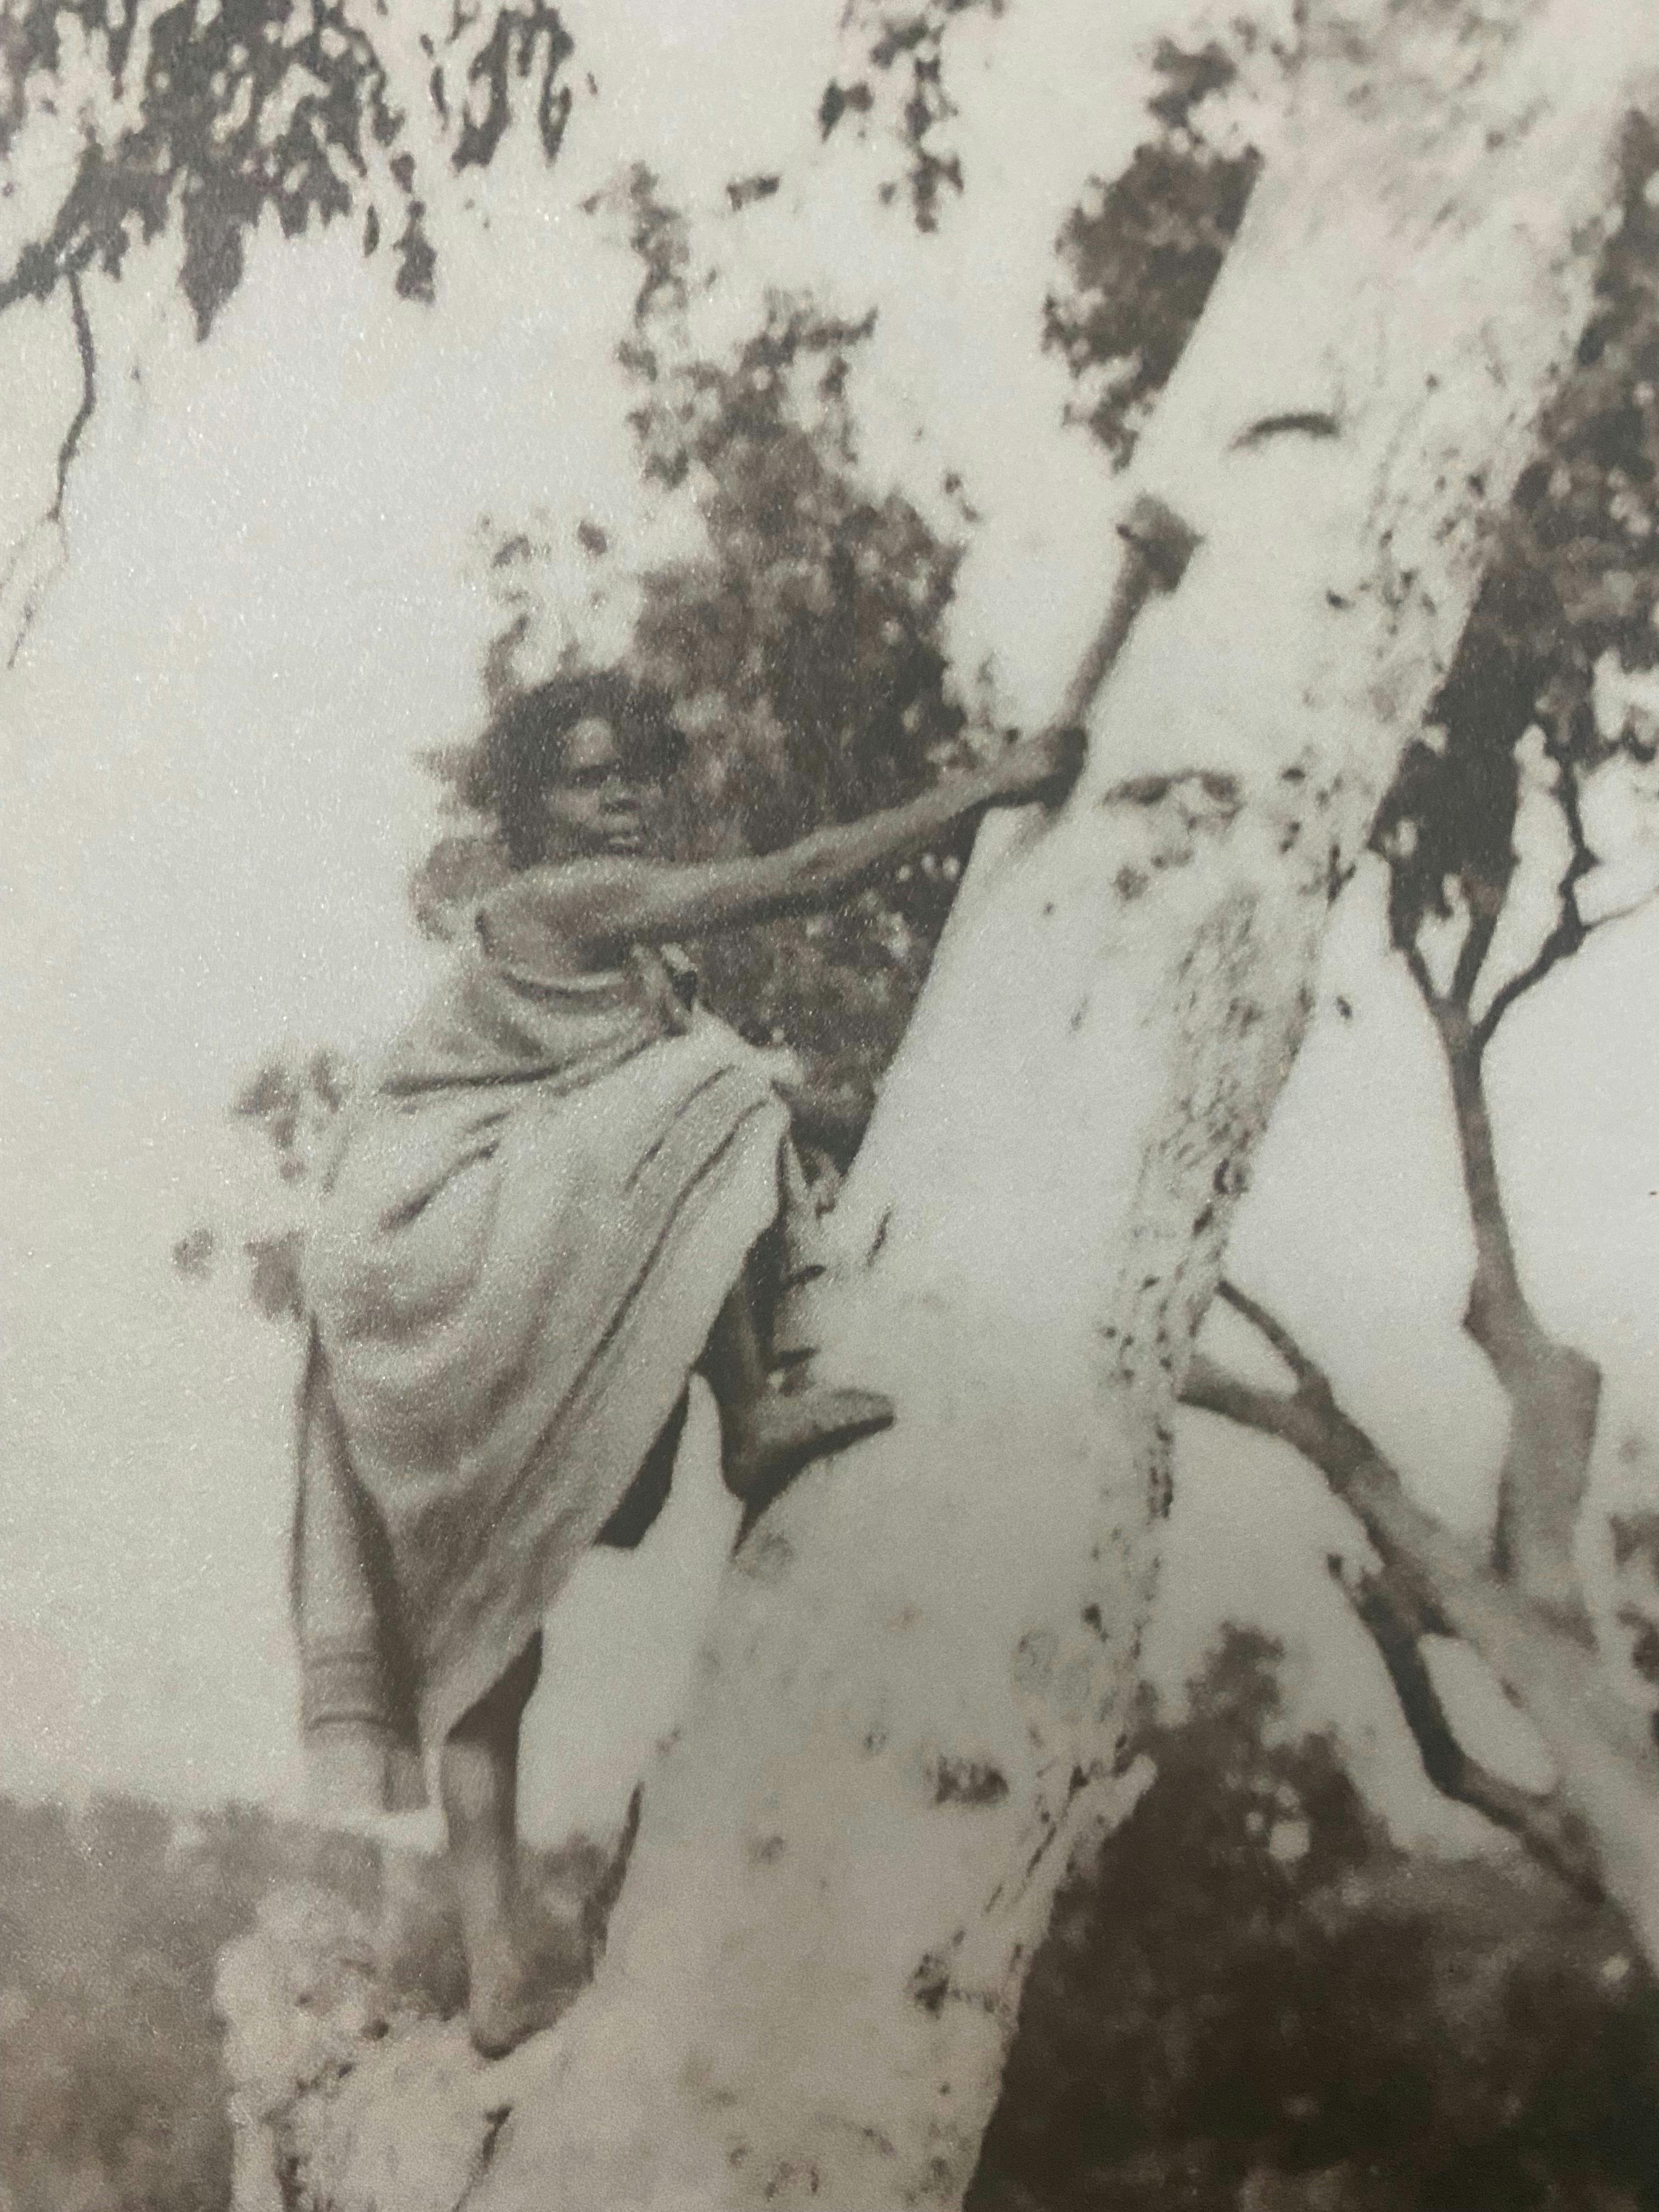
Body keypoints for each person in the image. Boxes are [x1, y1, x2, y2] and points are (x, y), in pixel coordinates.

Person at [291, 668, 1084, 2056]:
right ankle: (754, 1409)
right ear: (532, 809)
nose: (622, 799)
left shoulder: (626, 967)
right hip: (420, 1246)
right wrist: (986, 788)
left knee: (490, 1628)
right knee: (721, 1084)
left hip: (416, 1281)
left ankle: (497, 1974)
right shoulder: (560, 903)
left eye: (634, 774)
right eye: (589, 779)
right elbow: (802, 878)